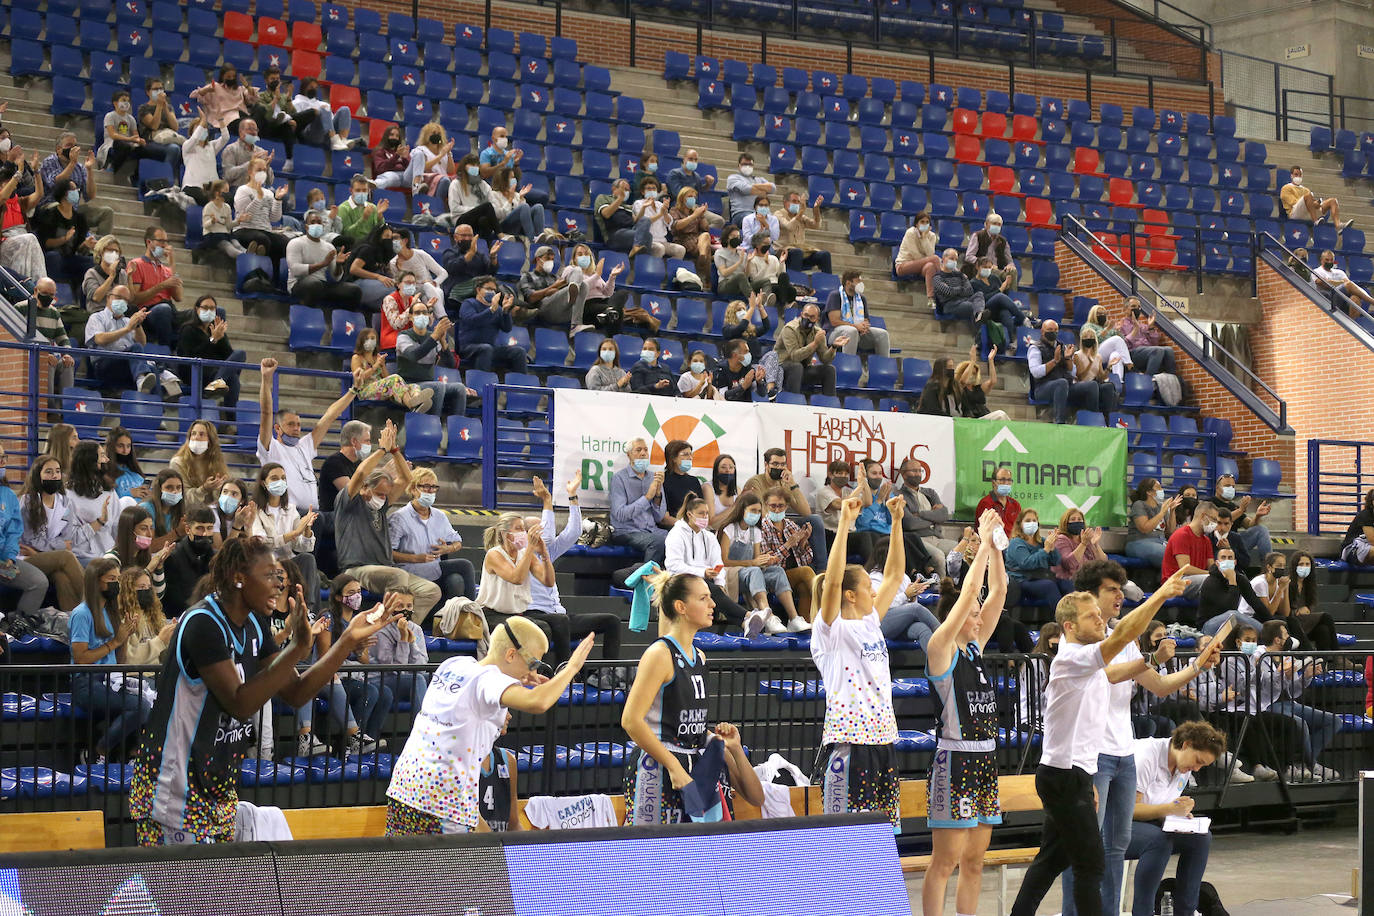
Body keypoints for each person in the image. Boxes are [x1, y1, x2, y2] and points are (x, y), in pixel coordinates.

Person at [129, 537, 400, 844]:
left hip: (217, 785)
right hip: (174, 784)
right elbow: (240, 703)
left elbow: (296, 692)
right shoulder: (203, 623)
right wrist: (298, 648)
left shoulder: (255, 623)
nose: (278, 584)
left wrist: (346, 641)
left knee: (209, 890)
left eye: (280, 576)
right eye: (269, 575)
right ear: (239, 578)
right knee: (176, 890)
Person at [1007, 569, 1190, 916]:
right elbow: (1124, 633)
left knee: (1052, 860)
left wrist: (1088, 777)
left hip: (1073, 774)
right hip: (1063, 777)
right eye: (1091, 616)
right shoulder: (1073, 658)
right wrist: (1161, 594)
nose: (1099, 620)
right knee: (1090, 864)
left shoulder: (1089, 664)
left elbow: (1121, 671)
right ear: (1069, 627)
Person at [1061, 561, 1222, 916]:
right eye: (1112, 590)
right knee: (1086, 845)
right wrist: (1162, 596)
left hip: (1123, 751)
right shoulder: (1081, 639)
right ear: (1089, 596)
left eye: (1122, 590)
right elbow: (1111, 674)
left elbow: (1159, 685)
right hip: (1091, 754)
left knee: (1115, 846)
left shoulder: (1126, 638)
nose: (1120, 596)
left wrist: (1196, 666)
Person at [385, 617, 593, 835]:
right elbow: (538, 702)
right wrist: (571, 669)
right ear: (511, 654)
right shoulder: (489, 680)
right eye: (533, 663)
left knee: (405, 866)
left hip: (405, 790)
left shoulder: (455, 664)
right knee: (454, 869)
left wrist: (519, 678)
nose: (533, 671)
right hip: (442, 802)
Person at [621, 571, 764, 824]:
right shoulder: (659, 654)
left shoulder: (699, 656)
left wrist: (724, 745)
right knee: (652, 856)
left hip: (694, 757)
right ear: (681, 607)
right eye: (704, 598)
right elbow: (631, 721)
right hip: (659, 765)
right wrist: (674, 767)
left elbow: (756, 797)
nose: (713, 604)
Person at [921, 510, 1008, 916]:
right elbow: (973, 592)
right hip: (954, 758)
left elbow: (998, 593)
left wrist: (995, 547)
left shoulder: (975, 648)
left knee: (975, 862)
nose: (979, 618)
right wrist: (982, 541)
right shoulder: (942, 649)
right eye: (972, 613)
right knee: (945, 862)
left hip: (985, 760)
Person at [811, 494, 913, 831]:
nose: (875, 592)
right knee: (845, 838)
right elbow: (835, 580)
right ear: (851, 595)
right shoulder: (831, 630)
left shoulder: (870, 623)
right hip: (849, 743)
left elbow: (895, 574)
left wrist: (897, 522)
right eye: (868, 587)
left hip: (883, 741)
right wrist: (844, 524)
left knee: (883, 835)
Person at [335, 420, 442, 623]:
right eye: (379, 494)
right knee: (397, 576)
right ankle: (384, 626)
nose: (383, 498)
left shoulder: (381, 506)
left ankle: (404, 629)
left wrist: (394, 450)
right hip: (356, 569)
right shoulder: (349, 501)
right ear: (365, 487)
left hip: (384, 570)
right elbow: (360, 473)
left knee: (431, 590)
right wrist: (381, 450)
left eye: (385, 495)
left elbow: (406, 478)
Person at [1124, 721, 1226, 916]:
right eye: (1198, 761)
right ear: (1186, 745)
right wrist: (1169, 809)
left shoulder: (1183, 766)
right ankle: (1142, 912)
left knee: (1201, 838)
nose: (1196, 769)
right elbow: (1128, 810)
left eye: (1202, 766)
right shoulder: (1146, 756)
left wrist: (1178, 815)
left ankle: (1185, 911)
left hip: (1150, 825)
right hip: (1115, 823)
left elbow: (1160, 807)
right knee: (1158, 841)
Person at [523, 475, 624, 662]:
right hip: (534, 616)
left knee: (612, 620)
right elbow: (548, 534)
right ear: (526, 534)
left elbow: (574, 532)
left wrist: (572, 497)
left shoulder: (548, 553)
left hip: (559, 615)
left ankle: (608, 672)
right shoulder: (520, 556)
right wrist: (546, 501)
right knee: (560, 621)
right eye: (538, 529)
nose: (543, 532)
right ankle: (566, 673)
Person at [69, 558, 154, 763]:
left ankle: (136, 754)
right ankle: (99, 751)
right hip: (86, 682)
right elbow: (81, 658)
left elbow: (119, 660)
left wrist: (124, 639)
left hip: (112, 678)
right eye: (111, 579)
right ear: (96, 582)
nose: (116, 584)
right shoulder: (82, 614)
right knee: (140, 706)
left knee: (155, 699)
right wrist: (115, 642)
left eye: (118, 578)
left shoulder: (111, 612)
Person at [255, 357, 358, 513]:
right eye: (290, 424)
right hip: (287, 514)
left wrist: (354, 390)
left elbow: (330, 416)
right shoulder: (271, 448)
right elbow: (266, 412)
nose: (296, 428)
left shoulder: (305, 445)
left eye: (298, 424)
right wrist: (266, 379)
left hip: (313, 514)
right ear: (277, 428)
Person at [665, 495, 751, 632]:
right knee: (710, 592)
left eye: (706, 513)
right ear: (689, 514)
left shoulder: (709, 537)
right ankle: (748, 615)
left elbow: (718, 563)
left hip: (704, 581)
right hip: (680, 580)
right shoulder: (676, 534)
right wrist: (702, 572)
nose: (705, 517)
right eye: (701, 513)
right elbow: (673, 565)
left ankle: (745, 624)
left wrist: (720, 582)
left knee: (714, 596)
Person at [390, 466, 476, 602]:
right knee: (464, 566)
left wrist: (449, 548)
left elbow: (458, 541)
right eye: (425, 486)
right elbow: (389, 554)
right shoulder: (399, 518)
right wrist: (415, 558)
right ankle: (471, 611)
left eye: (434, 487)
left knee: (457, 579)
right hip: (411, 572)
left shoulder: (439, 516)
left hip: (434, 569)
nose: (430, 491)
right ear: (413, 489)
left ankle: (465, 613)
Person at [16, 454, 85, 612]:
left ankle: (73, 621)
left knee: (61, 577)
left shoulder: (66, 503)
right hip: (25, 557)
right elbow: (30, 540)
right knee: (65, 557)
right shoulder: (27, 502)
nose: (54, 475)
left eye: (57, 471)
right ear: (37, 476)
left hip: (44, 556)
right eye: (48, 471)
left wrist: (44, 549)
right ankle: (94, 601)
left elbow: (67, 539)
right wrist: (58, 546)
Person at [248, 462, 319, 611]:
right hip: (267, 563)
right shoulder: (256, 510)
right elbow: (261, 543)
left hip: (289, 562)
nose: (280, 482)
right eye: (274, 478)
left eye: (283, 478)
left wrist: (306, 529)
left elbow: (304, 547)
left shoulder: (291, 509)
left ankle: (308, 611)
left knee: (308, 559)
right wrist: (294, 533)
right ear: (263, 483)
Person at [741, 448, 829, 567]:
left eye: (782, 464)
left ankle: (821, 570)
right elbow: (763, 516)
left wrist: (792, 484)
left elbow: (806, 512)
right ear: (766, 464)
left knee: (815, 520)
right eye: (775, 464)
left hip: (784, 525)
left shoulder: (783, 483)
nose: (779, 468)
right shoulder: (755, 483)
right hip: (765, 527)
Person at [85, 287, 180, 396]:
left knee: (151, 368)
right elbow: (99, 339)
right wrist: (127, 329)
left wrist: (138, 324)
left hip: (127, 364)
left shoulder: (127, 321)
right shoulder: (97, 317)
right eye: (118, 297)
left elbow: (142, 342)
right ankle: (145, 377)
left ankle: (156, 408)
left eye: (125, 299)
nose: (122, 301)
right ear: (108, 297)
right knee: (136, 350)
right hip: (104, 363)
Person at [396, 298, 471, 417]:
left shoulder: (433, 336)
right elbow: (414, 356)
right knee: (437, 386)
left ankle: (455, 426)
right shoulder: (403, 336)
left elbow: (450, 364)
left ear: (429, 316)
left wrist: (443, 343)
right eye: (417, 313)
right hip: (408, 384)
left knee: (459, 388)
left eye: (425, 312)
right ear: (410, 317)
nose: (422, 315)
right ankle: (433, 424)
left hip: (427, 383)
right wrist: (435, 337)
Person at [369, 585, 431, 728]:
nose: (405, 610)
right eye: (400, 605)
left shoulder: (416, 629)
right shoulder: (381, 629)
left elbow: (421, 666)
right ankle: (421, 732)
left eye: (409, 606)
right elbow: (393, 669)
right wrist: (403, 641)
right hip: (381, 679)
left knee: (438, 678)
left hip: (406, 679)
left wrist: (412, 642)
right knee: (417, 680)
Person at [176, 296, 246, 411]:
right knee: (231, 378)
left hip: (214, 371)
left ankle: (218, 384)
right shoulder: (188, 329)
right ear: (197, 309)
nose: (209, 311)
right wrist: (212, 340)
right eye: (205, 307)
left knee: (239, 356)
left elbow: (229, 357)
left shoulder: (215, 330)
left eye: (212, 308)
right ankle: (218, 382)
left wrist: (221, 338)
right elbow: (191, 356)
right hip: (195, 372)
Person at [33, 177, 96, 303]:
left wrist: (85, 244)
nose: (76, 192)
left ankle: (85, 302)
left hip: (70, 257)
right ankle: (55, 296)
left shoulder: (79, 218)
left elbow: (77, 247)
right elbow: (46, 242)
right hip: (50, 256)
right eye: (73, 189)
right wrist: (64, 239)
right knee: (54, 257)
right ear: (63, 193)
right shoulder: (50, 213)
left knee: (90, 263)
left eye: (77, 189)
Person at [866, 537, 937, 645]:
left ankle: (942, 661)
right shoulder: (875, 577)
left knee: (923, 629)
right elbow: (880, 606)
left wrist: (913, 597)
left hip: (900, 623)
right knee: (915, 608)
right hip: (880, 623)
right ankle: (946, 635)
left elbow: (909, 607)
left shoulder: (904, 577)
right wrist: (905, 595)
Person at [609, 438, 670, 564]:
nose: (643, 453)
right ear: (629, 455)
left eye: (646, 450)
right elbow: (620, 515)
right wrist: (647, 497)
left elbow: (659, 517)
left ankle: (672, 581)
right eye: (638, 450)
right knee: (657, 541)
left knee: (678, 539)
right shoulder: (619, 478)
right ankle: (646, 581)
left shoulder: (653, 477)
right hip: (627, 531)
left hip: (651, 530)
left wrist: (657, 495)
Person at [39, 132, 112, 236]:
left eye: (75, 146)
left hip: (74, 209)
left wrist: (89, 170)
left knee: (106, 212)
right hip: (51, 206)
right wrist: (72, 163)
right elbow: (56, 184)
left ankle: (101, 245)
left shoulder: (80, 167)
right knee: (62, 209)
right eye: (69, 145)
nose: (73, 149)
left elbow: (90, 195)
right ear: (59, 149)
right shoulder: (49, 162)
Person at [1029, 319, 1101, 424]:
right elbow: (1036, 372)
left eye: (1055, 330)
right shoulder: (1035, 348)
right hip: (1042, 388)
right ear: (1042, 331)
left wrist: (1068, 359)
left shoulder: (1062, 346)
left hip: (1065, 386)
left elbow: (1072, 373)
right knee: (1061, 383)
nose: (1053, 332)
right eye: (1050, 329)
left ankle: (1092, 422)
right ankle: (1059, 422)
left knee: (1092, 385)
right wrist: (1054, 361)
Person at [286, 209, 361, 309]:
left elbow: (336, 277)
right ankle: (307, 316)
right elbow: (296, 270)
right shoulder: (295, 243)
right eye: (312, 222)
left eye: (319, 222)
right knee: (314, 285)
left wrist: (338, 265)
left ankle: (347, 322)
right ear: (306, 227)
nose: (316, 225)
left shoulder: (329, 247)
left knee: (355, 290)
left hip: (321, 284)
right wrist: (323, 264)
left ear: (323, 226)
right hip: (298, 284)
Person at [894, 457, 955, 577]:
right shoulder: (898, 494)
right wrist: (933, 518)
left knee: (963, 550)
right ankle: (943, 591)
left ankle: (962, 588)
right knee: (938, 557)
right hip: (919, 540)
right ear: (903, 474)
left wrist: (921, 514)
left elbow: (943, 515)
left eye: (919, 471)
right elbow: (910, 523)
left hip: (937, 538)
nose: (917, 474)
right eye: (913, 471)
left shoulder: (930, 493)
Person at [1007, 509, 1073, 616]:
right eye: (1028, 521)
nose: (1031, 523)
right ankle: (1063, 618)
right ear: (1020, 524)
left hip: (1041, 577)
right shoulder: (1016, 543)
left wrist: (1052, 548)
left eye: (1034, 520)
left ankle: (1075, 615)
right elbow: (1027, 563)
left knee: (1067, 583)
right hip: (1022, 580)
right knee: (1049, 586)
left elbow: (1056, 561)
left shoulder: (1041, 541)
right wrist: (1045, 550)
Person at [353, 327, 434, 412]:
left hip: (381, 390)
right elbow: (360, 377)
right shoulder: (357, 358)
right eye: (367, 338)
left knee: (413, 386)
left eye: (373, 338)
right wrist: (375, 366)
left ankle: (416, 400)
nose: (370, 341)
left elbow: (387, 378)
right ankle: (411, 405)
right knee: (395, 378)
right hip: (364, 391)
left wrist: (383, 365)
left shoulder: (376, 357)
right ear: (361, 341)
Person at [65, 442, 121, 564]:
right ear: (90, 462)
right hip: (82, 557)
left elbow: (117, 527)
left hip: (109, 554)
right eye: (102, 455)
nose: (107, 460)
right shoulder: (68, 495)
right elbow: (71, 538)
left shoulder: (109, 490)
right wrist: (99, 522)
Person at [457, 276, 528, 373]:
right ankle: (481, 382)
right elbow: (472, 321)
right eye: (488, 289)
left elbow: (507, 328)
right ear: (478, 289)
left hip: (490, 348)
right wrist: (491, 310)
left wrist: (505, 312)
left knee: (519, 352)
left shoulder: (497, 309)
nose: (492, 292)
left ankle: (520, 385)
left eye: (494, 290)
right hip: (469, 348)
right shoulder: (469, 304)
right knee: (486, 349)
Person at [560, 243, 631, 335]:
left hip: (603, 302)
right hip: (586, 305)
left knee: (623, 293)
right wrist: (597, 275)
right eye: (580, 254)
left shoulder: (593, 273)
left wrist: (612, 276)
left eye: (586, 254)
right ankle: (611, 335)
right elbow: (581, 288)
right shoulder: (570, 270)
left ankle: (608, 311)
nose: (584, 257)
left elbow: (608, 292)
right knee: (618, 313)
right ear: (574, 258)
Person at [775, 303, 845, 396]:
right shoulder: (790, 329)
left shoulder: (818, 332)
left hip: (802, 369)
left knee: (829, 370)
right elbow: (794, 356)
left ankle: (828, 405)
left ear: (817, 319)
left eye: (812, 317)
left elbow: (825, 360)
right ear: (801, 314)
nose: (808, 319)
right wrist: (815, 343)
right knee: (796, 367)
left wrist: (833, 347)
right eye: (806, 315)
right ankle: (793, 402)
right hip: (781, 368)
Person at [117, 564, 177, 667]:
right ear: (128, 591)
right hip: (136, 677)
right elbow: (130, 659)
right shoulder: (125, 619)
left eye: (149, 587)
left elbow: (162, 657)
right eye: (141, 587)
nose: (146, 590)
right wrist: (160, 641)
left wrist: (170, 637)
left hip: (156, 673)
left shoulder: (155, 616)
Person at [162, 507, 217, 617]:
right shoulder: (173, 557)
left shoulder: (216, 558)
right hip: (179, 617)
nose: (205, 534)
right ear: (188, 530)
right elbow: (175, 600)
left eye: (209, 528)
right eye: (199, 528)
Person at [970, 256, 1034, 350]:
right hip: (985, 310)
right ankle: (1023, 318)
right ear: (978, 267)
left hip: (998, 309)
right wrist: (1000, 289)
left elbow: (1005, 296)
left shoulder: (994, 278)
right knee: (999, 296)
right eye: (984, 267)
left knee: (1005, 312)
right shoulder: (973, 283)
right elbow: (982, 298)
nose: (987, 270)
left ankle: (1011, 341)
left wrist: (1007, 286)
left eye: (989, 267)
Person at [1207, 472, 1273, 564]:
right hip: (1215, 541)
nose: (1230, 489)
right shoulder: (1209, 503)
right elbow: (1218, 520)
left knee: (1261, 530)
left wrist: (1258, 516)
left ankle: (1269, 566)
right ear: (1217, 488)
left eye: (1233, 487)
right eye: (1227, 486)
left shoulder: (1234, 506)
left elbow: (1249, 524)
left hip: (1234, 542)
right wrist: (1241, 510)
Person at [825, 270, 891, 357]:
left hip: (858, 333)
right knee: (852, 331)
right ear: (848, 283)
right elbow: (834, 321)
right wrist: (856, 326)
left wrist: (864, 327)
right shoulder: (835, 295)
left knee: (882, 334)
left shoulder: (862, 298)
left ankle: (883, 365)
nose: (861, 284)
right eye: (858, 281)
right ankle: (849, 363)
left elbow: (865, 319)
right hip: (834, 333)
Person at [1282, 550, 1339, 650]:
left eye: (1307, 564)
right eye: (1301, 564)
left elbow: (1310, 606)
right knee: (1326, 617)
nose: (1304, 567)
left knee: (1323, 630)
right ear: (1295, 566)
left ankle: (1322, 663)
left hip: (1305, 622)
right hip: (1293, 623)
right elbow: (1284, 612)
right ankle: (1338, 655)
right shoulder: (1289, 584)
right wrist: (1297, 611)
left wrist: (1306, 610)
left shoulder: (1309, 585)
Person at [231, 164, 288, 261]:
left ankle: (275, 274)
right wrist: (259, 198)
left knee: (284, 243)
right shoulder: (242, 190)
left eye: (264, 170)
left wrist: (277, 200)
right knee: (262, 239)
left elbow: (274, 218)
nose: (262, 173)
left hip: (265, 230)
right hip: (244, 229)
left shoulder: (269, 193)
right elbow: (246, 215)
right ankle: (256, 272)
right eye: (259, 169)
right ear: (250, 172)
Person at [1162, 501, 1217, 595]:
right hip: (1175, 581)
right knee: (1211, 581)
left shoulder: (1206, 540)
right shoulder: (1181, 535)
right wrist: (1211, 574)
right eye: (1214, 519)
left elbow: (1211, 567)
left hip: (1195, 579)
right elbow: (1185, 569)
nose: (1215, 524)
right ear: (1203, 516)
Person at [518, 245, 581, 327]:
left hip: (561, 310)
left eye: (552, 259)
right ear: (538, 259)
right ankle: (572, 297)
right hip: (544, 309)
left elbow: (558, 292)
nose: (551, 262)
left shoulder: (554, 277)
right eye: (547, 259)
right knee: (576, 277)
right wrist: (549, 290)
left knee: (582, 281)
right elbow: (531, 298)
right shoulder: (527, 276)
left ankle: (577, 320)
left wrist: (558, 289)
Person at [1125, 478, 1181, 568]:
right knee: (1167, 554)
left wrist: (1172, 511)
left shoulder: (1161, 507)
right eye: (1158, 488)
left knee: (1181, 553)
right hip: (1138, 542)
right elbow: (1145, 528)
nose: (1161, 490)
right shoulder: (1139, 505)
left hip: (1161, 542)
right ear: (1149, 492)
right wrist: (1162, 513)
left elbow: (1171, 531)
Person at [1118, 298, 1179, 377]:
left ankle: (1171, 380)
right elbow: (1124, 345)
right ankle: (1148, 379)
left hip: (1147, 351)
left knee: (1168, 350)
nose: (1136, 309)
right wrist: (1135, 330)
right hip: (1132, 353)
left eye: (1138, 307)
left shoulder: (1142, 326)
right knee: (1157, 350)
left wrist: (1150, 327)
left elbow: (1154, 343)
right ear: (1125, 309)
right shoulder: (1121, 325)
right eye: (1133, 306)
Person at [292, 76, 355, 150]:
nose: (313, 89)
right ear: (303, 88)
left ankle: (343, 140)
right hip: (309, 133)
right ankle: (334, 141)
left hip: (326, 135)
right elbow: (298, 121)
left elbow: (330, 121)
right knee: (322, 110)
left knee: (345, 109)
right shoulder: (296, 103)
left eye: (315, 88)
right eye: (311, 87)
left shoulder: (322, 104)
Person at [478, 722, 521, 832]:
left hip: (498, 843)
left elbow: (514, 824)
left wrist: (529, 847)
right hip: (470, 845)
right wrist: (495, 847)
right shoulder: (460, 762)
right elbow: (471, 822)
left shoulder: (508, 760)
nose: (509, 716)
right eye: (504, 710)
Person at [1050, 508, 1108, 589]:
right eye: (1073, 519)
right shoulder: (1061, 539)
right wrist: (1083, 544)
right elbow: (1069, 564)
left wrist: (1095, 544)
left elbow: (1103, 562)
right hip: (1068, 580)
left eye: (1079, 519)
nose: (1077, 522)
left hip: (1087, 579)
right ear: (1065, 523)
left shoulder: (1084, 538)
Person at [447, 155, 501, 238]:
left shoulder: (483, 184)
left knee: (483, 220)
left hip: (479, 218)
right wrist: (477, 209)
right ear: (464, 167)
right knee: (486, 206)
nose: (475, 167)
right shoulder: (456, 184)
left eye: (477, 165)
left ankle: (487, 246)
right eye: (472, 165)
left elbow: (494, 204)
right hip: (460, 218)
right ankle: (500, 234)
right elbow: (454, 208)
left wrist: (480, 210)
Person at [665, 148, 722, 227]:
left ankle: (703, 236)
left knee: (718, 221)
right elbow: (678, 194)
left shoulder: (696, 176)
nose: (693, 162)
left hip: (694, 207)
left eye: (695, 160)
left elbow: (700, 191)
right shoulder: (674, 174)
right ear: (684, 159)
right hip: (679, 207)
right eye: (690, 159)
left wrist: (708, 184)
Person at [443, 223, 498, 305]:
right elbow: (453, 268)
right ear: (455, 237)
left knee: (500, 288)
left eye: (470, 236)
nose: (467, 238)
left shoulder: (479, 255)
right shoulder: (449, 252)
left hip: (478, 291)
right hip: (457, 292)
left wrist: (493, 257)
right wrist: (471, 253)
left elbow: (491, 271)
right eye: (464, 235)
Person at [1279, 165, 1350, 229]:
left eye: (1300, 175)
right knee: (1308, 196)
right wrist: (1309, 202)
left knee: (1333, 201)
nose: (1298, 177)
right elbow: (1294, 203)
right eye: (1296, 174)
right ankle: (1316, 221)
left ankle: (1338, 225)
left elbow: (1311, 203)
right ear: (1291, 176)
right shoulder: (1286, 188)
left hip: (1308, 213)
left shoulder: (1306, 189)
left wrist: (1317, 203)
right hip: (1295, 213)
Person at [776, 191, 830, 273]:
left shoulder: (801, 217)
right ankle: (795, 282)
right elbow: (789, 227)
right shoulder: (778, 214)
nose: (797, 204)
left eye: (799, 202)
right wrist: (801, 212)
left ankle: (828, 282)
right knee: (797, 252)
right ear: (785, 202)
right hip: (784, 251)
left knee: (824, 254)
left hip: (801, 251)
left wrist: (816, 210)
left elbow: (816, 225)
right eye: (794, 201)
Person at [190, 65, 254, 133]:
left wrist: (247, 86)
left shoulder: (239, 89)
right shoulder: (215, 87)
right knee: (245, 124)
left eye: (233, 76)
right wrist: (207, 90)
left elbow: (252, 97)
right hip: (225, 119)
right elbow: (194, 95)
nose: (231, 78)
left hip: (241, 115)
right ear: (222, 76)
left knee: (256, 116)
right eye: (228, 77)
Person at [490, 166, 547, 241]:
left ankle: (539, 236)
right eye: (511, 177)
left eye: (514, 177)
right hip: (503, 228)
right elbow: (499, 215)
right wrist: (510, 199)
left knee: (538, 207)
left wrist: (521, 198)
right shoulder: (494, 194)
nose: (514, 180)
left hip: (517, 227)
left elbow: (524, 215)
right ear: (503, 180)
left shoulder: (516, 194)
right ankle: (532, 238)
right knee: (524, 207)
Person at [955, 343, 1009, 421]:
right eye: (970, 373)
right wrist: (972, 361)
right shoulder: (958, 386)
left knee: (1001, 416)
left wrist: (991, 360)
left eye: (974, 373)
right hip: (969, 418)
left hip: (984, 416)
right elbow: (963, 381)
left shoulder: (978, 388)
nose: (971, 376)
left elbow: (993, 381)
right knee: (1001, 414)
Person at [1073, 328, 1121, 416]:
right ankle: (1094, 417)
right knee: (1093, 385)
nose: (1089, 339)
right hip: (1081, 385)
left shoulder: (1098, 357)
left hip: (1095, 384)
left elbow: (1101, 377)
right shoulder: (1077, 355)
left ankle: (1108, 418)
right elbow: (1080, 376)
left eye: (1091, 337)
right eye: (1086, 337)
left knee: (1109, 386)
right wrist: (1089, 363)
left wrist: (1109, 366)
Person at [963, 212, 1018, 289]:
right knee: (992, 270)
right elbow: (969, 257)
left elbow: (1009, 260)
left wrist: (1010, 265)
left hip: (997, 269)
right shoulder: (978, 236)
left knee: (1012, 272)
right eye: (994, 223)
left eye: (999, 225)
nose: (997, 226)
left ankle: (1011, 296)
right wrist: (986, 264)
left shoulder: (1003, 241)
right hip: (981, 269)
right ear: (986, 224)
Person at [1081, 303, 1133, 382]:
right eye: (1099, 313)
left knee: (1116, 355)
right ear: (1093, 314)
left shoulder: (1107, 328)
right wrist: (1107, 329)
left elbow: (1122, 342)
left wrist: (1117, 330)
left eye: (1104, 314)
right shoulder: (1088, 326)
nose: (1102, 315)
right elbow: (1093, 341)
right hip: (1093, 352)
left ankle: (1118, 381)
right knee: (1116, 339)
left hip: (1104, 355)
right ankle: (1129, 364)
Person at [139, 468, 187, 553]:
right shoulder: (145, 509)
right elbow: (148, 547)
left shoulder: (181, 510)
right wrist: (177, 533)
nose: (175, 491)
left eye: (178, 487)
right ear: (159, 489)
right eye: (169, 487)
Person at [669, 187, 713, 278]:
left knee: (705, 235)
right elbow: (677, 226)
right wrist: (694, 215)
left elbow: (705, 228)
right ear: (682, 198)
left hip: (697, 238)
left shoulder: (695, 211)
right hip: (683, 239)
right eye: (689, 196)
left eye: (694, 197)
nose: (692, 199)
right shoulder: (674, 210)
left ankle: (702, 256)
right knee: (707, 248)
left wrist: (702, 215)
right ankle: (708, 281)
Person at [932, 248, 983, 325]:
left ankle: (979, 316)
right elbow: (948, 292)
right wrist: (961, 289)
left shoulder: (960, 275)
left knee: (979, 294)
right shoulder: (937, 278)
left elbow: (970, 291)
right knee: (974, 307)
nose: (954, 262)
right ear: (943, 259)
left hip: (964, 300)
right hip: (950, 305)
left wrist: (954, 290)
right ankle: (979, 315)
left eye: (956, 260)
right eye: (951, 258)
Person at [895, 212, 941, 296]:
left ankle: (931, 298)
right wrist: (927, 258)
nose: (925, 224)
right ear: (916, 224)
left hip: (921, 267)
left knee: (930, 266)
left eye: (927, 222)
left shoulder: (932, 236)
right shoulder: (910, 233)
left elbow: (930, 253)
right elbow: (915, 255)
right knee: (935, 259)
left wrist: (924, 237)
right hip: (903, 265)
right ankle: (946, 280)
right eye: (922, 222)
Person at [406, 123, 456, 198]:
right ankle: (436, 203)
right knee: (444, 181)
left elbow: (451, 170)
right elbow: (424, 167)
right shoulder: (420, 150)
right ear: (426, 135)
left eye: (439, 133)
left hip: (443, 180)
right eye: (433, 133)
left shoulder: (444, 151)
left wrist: (448, 153)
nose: (436, 135)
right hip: (427, 181)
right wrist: (440, 155)